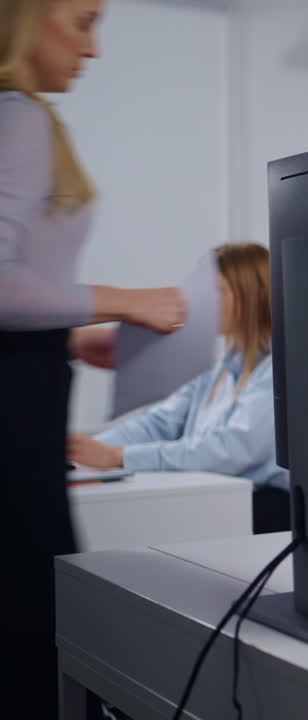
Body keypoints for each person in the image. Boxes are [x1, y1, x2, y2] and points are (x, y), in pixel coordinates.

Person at [1, 0, 186, 709]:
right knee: (28, 620)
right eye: (82, 21)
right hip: (16, 408)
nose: (94, 49)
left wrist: (70, 332)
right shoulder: (15, 113)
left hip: (30, 380)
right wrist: (124, 300)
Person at [68, 242, 291, 532]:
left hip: (267, 509)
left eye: (216, 291)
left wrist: (117, 457)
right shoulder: (219, 366)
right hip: (221, 497)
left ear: (251, 296)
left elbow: (232, 450)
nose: (199, 301)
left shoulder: (280, 369)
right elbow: (158, 424)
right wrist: (83, 451)